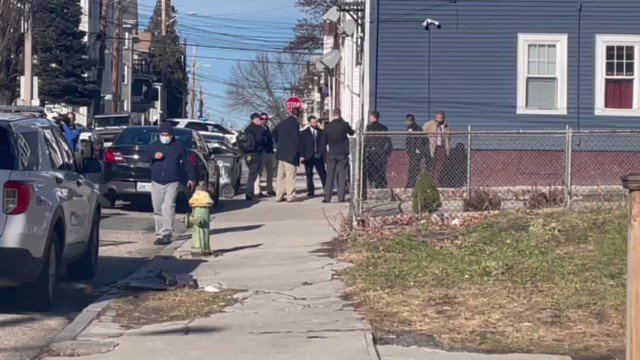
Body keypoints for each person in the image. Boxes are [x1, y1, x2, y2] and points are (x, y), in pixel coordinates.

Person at [142, 122, 198, 245]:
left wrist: (191, 178)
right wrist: (153, 156)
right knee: (157, 208)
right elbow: (144, 157)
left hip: (172, 181)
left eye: (167, 134)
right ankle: (159, 234)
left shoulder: (179, 146)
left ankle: (167, 233)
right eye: (162, 134)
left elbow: (188, 163)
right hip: (156, 181)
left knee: (168, 206)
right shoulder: (154, 145)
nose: (165, 136)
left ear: (171, 135)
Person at [322, 109, 354, 203]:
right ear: (340, 114)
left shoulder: (327, 126)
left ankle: (327, 197)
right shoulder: (344, 124)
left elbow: (323, 140)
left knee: (330, 175)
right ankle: (341, 197)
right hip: (342, 153)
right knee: (342, 175)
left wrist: (325, 153)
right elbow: (351, 132)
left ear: (332, 115)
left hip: (331, 152)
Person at [272, 105, 303, 203]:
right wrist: (299, 150)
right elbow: (297, 139)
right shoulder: (295, 124)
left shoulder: (283, 123)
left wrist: (279, 142)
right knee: (290, 175)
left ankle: (279, 196)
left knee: (280, 175)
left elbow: (273, 132)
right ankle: (290, 196)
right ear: (298, 115)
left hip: (281, 153)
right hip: (290, 154)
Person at [364, 111, 392, 190]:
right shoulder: (384, 128)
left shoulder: (369, 127)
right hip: (381, 153)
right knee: (381, 171)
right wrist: (388, 152)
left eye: (370, 116)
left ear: (372, 117)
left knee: (372, 171)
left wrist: (365, 149)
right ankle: (382, 188)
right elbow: (388, 141)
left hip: (372, 153)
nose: (369, 118)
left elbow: (366, 140)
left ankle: (373, 188)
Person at [300, 116, 327, 197]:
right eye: (313, 122)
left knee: (322, 173)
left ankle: (326, 190)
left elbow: (324, 144)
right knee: (309, 174)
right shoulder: (304, 133)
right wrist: (302, 156)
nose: (315, 124)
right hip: (308, 156)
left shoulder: (321, 132)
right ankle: (311, 191)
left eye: (315, 122)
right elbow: (301, 145)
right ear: (309, 123)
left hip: (318, 155)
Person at [244, 113, 268, 201]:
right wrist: (264, 139)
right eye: (258, 119)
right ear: (254, 119)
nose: (260, 121)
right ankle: (249, 193)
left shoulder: (247, 129)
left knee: (252, 173)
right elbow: (261, 139)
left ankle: (249, 192)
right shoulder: (259, 129)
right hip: (256, 153)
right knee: (253, 174)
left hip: (247, 154)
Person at [423, 111, 451, 186]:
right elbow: (423, 132)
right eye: (437, 117)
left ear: (443, 118)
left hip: (441, 147)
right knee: (431, 164)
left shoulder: (446, 125)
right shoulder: (430, 123)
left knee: (440, 164)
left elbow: (448, 137)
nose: (439, 119)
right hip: (432, 147)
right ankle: (430, 181)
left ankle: (436, 181)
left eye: (440, 118)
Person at [253, 113, 276, 197]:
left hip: (269, 152)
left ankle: (270, 189)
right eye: (262, 119)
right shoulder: (258, 129)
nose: (264, 120)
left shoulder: (267, 129)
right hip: (261, 153)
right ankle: (257, 191)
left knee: (270, 172)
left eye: (266, 119)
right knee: (259, 172)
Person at [405, 114, 428, 188]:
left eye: (406, 120)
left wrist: (410, 149)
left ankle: (411, 184)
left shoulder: (411, 127)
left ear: (408, 120)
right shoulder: (419, 128)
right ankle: (415, 183)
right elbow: (424, 140)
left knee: (412, 168)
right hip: (419, 151)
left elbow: (410, 139)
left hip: (414, 151)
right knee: (416, 168)